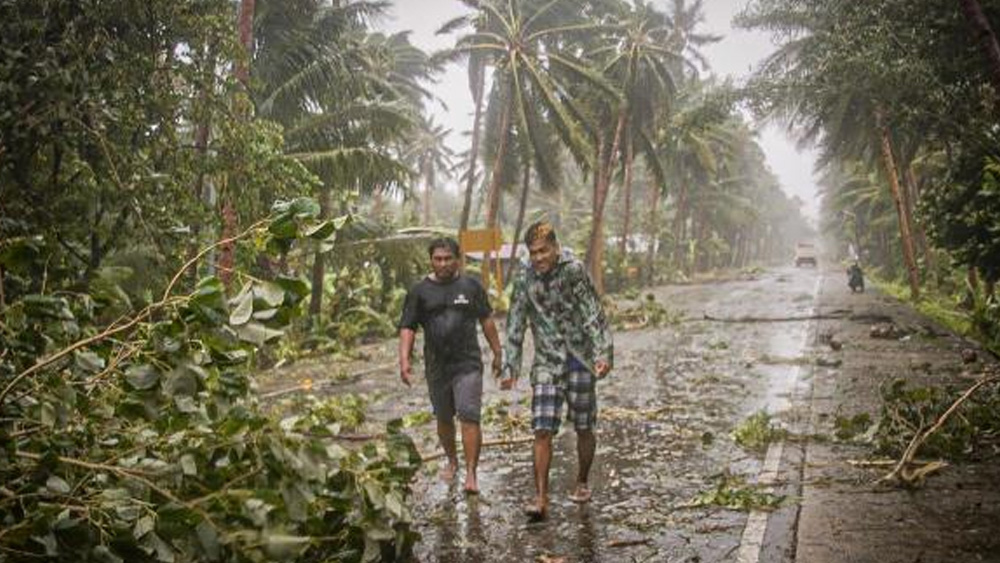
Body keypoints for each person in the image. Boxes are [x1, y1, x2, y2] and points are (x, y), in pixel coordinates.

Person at [500, 221, 613, 520]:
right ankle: (540, 497)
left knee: (584, 426)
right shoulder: (524, 277)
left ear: (555, 247)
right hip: (547, 362)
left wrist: (603, 352)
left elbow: (592, 312)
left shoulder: (573, 269)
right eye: (533, 252)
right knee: (542, 428)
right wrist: (510, 364)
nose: (538, 258)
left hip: (579, 358)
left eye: (543, 251)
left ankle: (582, 481)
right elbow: (515, 321)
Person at [398, 237, 502, 494]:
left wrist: (498, 352)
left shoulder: (471, 287)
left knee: (469, 415)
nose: (443, 264)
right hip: (437, 366)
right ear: (431, 260)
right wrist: (404, 359)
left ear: (458, 259)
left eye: (448, 258)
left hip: (467, 364)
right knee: (444, 418)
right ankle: (452, 460)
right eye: (438, 259)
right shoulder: (419, 292)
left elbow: (487, 320)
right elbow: (408, 327)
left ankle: (471, 473)